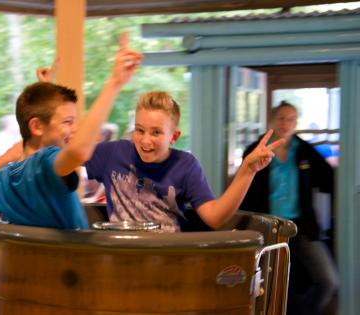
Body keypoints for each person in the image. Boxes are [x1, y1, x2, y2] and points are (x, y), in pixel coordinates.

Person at [0, 33, 142, 229]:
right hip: (69, 259)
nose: (75, 128)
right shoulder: (47, 161)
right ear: (36, 126)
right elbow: (78, 151)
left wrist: (7, 157)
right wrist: (114, 83)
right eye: (68, 122)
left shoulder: (4, 178)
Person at [82, 91, 285, 231]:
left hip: (170, 258)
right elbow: (67, 159)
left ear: (174, 136)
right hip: (121, 257)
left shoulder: (186, 165)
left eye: (156, 133)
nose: (145, 140)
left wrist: (247, 170)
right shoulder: (113, 153)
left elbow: (215, 217)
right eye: (139, 130)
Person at [240, 101, 338, 315]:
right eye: (282, 118)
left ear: (296, 123)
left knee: (328, 281)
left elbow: (329, 179)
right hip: (268, 230)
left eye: (291, 119)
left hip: (301, 228)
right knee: (268, 286)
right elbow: (243, 192)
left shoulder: (303, 150)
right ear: (272, 120)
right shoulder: (255, 150)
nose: (286, 123)